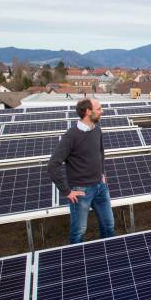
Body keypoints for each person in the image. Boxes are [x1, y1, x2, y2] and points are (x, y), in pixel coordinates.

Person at [48, 98, 115, 244]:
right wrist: (67, 191)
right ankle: (76, 262)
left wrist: (102, 173)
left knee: (109, 225)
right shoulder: (71, 136)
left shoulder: (97, 130)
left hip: (100, 187)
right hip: (81, 191)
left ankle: (109, 257)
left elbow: (100, 153)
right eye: (99, 109)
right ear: (87, 112)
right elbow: (53, 164)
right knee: (79, 231)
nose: (102, 111)